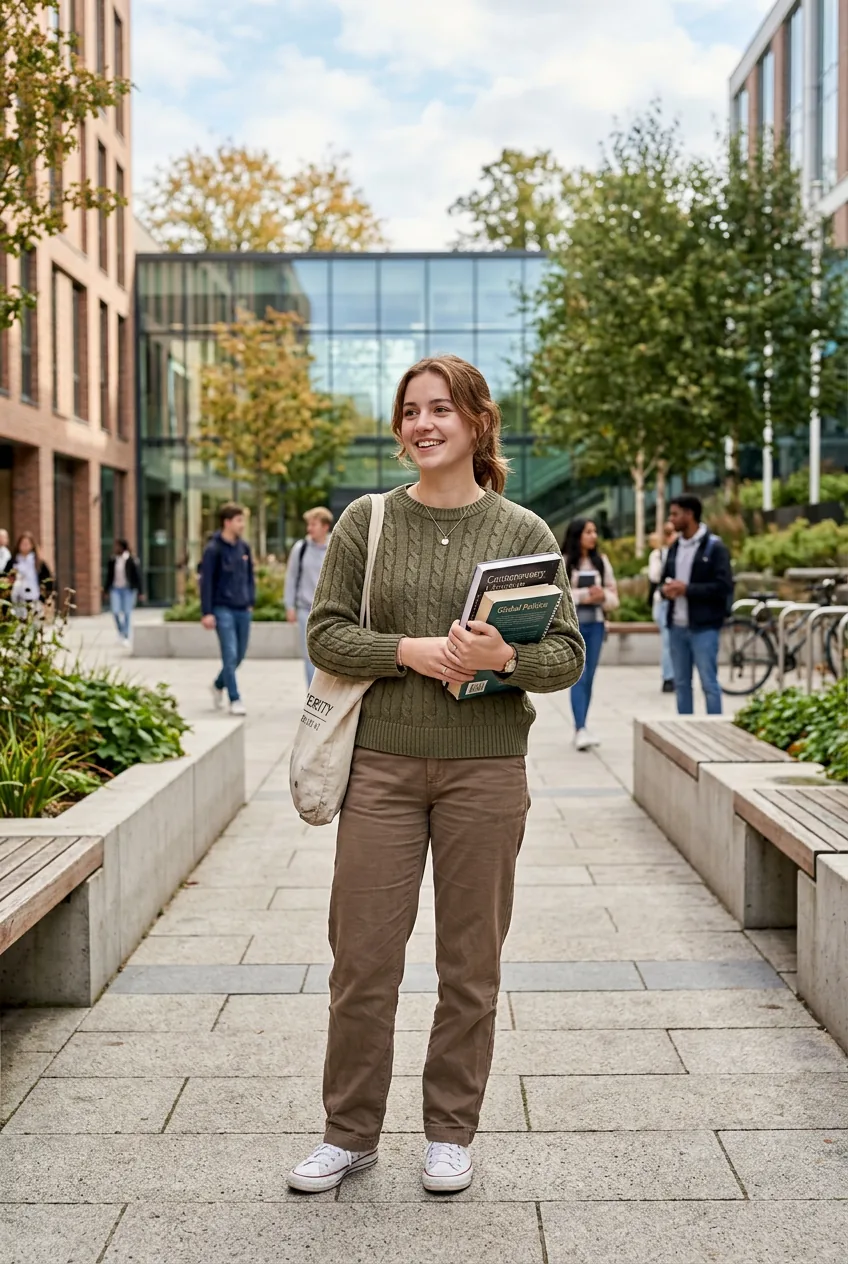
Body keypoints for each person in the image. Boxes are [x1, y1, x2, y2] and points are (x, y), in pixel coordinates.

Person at [287, 354, 585, 1197]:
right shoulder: (367, 521)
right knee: (363, 961)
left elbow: (566, 655)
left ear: (477, 422)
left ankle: (450, 1132)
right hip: (378, 767)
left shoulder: (524, 531)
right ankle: (348, 1132)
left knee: (470, 963)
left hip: (486, 771)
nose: (423, 424)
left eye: (440, 410)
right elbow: (327, 635)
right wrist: (411, 652)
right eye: (410, 411)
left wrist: (504, 658)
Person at [661, 494, 733, 716]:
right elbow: (662, 581)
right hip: (677, 627)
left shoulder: (715, 547)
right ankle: (685, 731)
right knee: (682, 684)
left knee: (709, 683)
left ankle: (715, 732)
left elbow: (723, 587)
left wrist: (687, 589)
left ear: (689, 514)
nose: (671, 519)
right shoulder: (674, 548)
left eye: (675, 514)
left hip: (704, 627)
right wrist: (665, 591)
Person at [562, 517, 619, 751]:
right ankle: (579, 727)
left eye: (595, 531)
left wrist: (602, 596)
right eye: (588, 532)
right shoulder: (564, 562)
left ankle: (583, 725)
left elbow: (614, 598)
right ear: (577, 535)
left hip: (596, 627)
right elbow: (559, 597)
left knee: (590, 677)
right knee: (579, 676)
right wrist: (586, 595)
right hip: (573, 628)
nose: (593, 536)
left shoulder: (602, 563)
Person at [200, 503, 255, 717]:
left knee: (239, 655)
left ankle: (217, 684)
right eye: (239, 520)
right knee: (230, 654)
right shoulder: (213, 549)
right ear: (227, 522)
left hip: (243, 608)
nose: (242, 525)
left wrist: (251, 600)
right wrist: (207, 612)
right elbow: (206, 582)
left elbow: (250, 577)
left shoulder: (244, 548)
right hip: (222, 608)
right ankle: (235, 697)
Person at [283, 506, 333, 686]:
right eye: (309, 524)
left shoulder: (334, 546)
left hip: (328, 610)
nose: (309, 528)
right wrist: (289, 606)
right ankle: (312, 694)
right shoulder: (301, 548)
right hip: (305, 609)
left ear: (325, 527)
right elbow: (291, 576)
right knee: (309, 654)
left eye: (313, 524)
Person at [648, 519, 678, 694]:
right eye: (668, 533)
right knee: (668, 641)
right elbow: (655, 576)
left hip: (678, 602)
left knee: (674, 642)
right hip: (663, 602)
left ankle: (675, 675)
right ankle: (668, 677)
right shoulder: (659, 554)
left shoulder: (683, 552)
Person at [2, 532, 53, 615]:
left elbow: (48, 580)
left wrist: (44, 597)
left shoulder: (38, 562)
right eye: (23, 543)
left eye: (27, 544)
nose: (25, 546)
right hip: (17, 598)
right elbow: (4, 577)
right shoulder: (12, 562)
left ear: (32, 545)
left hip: (35, 597)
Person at [105, 538, 141, 646]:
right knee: (115, 612)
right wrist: (106, 590)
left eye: (117, 546)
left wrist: (140, 591)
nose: (115, 549)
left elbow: (137, 576)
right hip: (115, 589)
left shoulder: (131, 560)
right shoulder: (113, 560)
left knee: (127, 612)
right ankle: (120, 632)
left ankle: (126, 635)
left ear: (122, 547)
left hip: (128, 589)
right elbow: (109, 576)